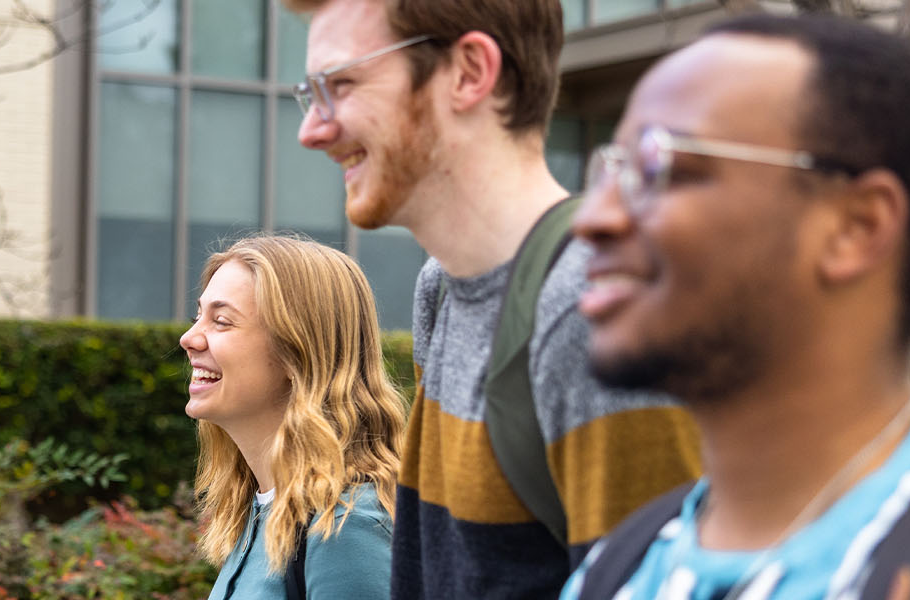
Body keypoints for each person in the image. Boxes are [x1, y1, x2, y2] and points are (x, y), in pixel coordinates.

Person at [559, 14, 910, 599]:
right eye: (610, 170)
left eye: (659, 166)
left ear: (857, 227)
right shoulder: (620, 569)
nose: (592, 218)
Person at [284, 0, 704, 596]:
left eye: (342, 85)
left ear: (469, 72)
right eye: (312, 93)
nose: (312, 130)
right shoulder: (441, 289)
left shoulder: (594, 311)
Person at [180, 235, 407, 600]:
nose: (189, 338)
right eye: (198, 316)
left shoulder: (346, 527)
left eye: (221, 321)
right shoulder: (259, 511)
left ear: (296, 351)